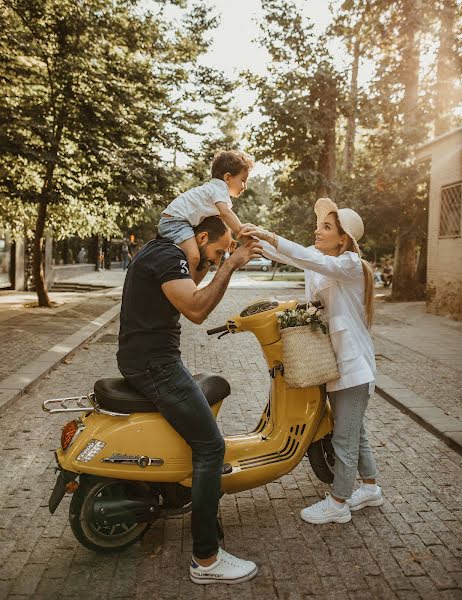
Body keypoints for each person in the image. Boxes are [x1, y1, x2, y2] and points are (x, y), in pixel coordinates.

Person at [117, 216, 261, 584]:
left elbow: (187, 291)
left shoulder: (163, 252)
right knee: (211, 447)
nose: (215, 260)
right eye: (214, 252)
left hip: (148, 360)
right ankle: (206, 559)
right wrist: (231, 264)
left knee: (199, 428)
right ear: (199, 237)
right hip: (156, 365)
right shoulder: (168, 256)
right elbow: (196, 310)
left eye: (219, 257)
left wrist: (216, 261)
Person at [240, 198, 383, 525]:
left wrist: (271, 236)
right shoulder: (323, 259)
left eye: (326, 227)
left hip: (353, 368)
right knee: (355, 431)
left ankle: (339, 502)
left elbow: (300, 254)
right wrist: (254, 239)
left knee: (344, 440)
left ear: (343, 238)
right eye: (319, 224)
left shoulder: (349, 264)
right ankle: (371, 488)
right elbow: (293, 254)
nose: (317, 231)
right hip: (335, 365)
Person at [158, 149, 254, 283]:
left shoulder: (215, 191)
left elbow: (221, 220)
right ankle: (187, 289)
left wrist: (230, 238)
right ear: (227, 178)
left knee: (204, 256)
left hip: (178, 221)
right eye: (243, 180)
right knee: (194, 257)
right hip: (174, 222)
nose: (245, 186)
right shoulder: (218, 189)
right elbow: (225, 214)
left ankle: (192, 286)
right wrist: (241, 230)